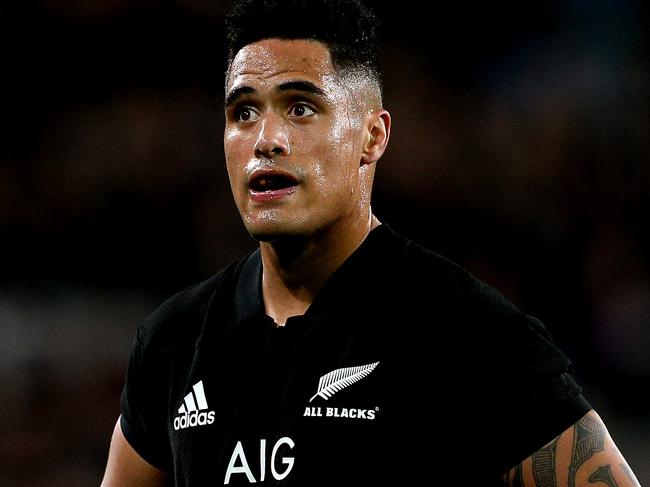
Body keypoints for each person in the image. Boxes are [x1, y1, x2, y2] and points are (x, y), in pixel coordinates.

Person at [100, 0, 641, 485]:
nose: (266, 139)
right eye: (243, 112)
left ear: (372, 136)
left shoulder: (467, 333)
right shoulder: (173, 342)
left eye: (301, 108)